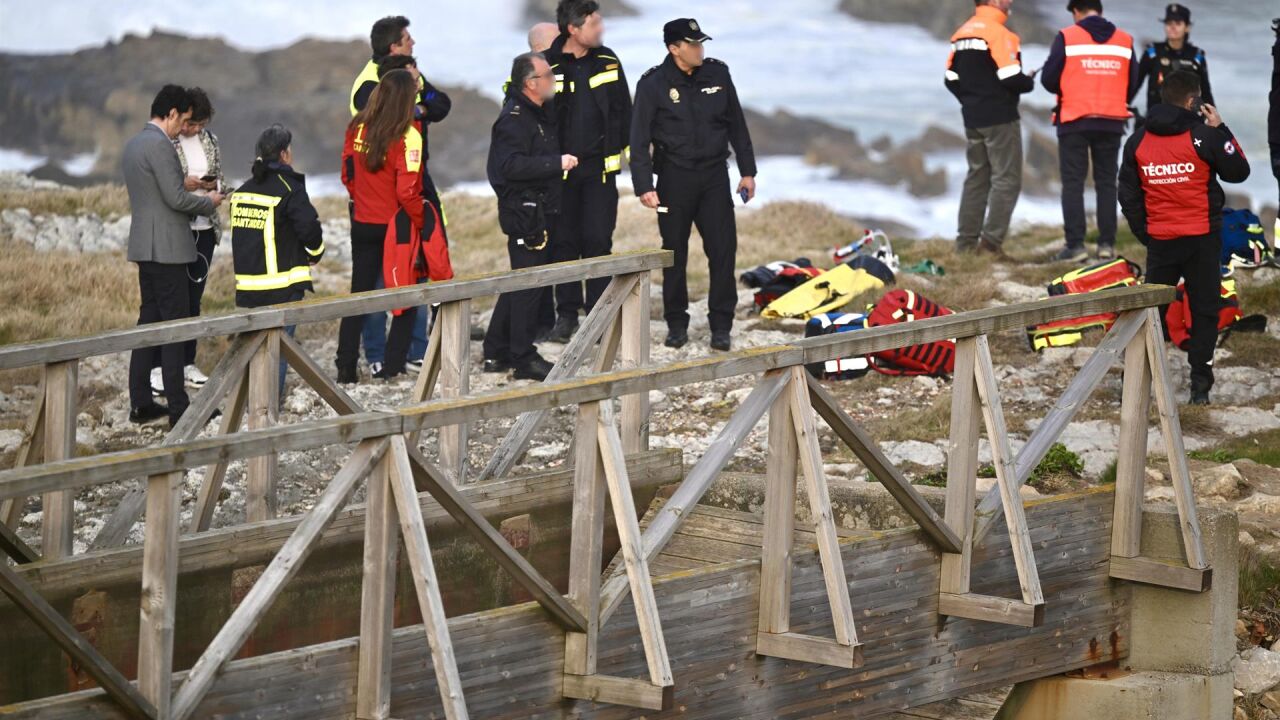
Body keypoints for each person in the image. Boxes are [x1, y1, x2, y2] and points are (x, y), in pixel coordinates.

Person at [1118, 70, 1250, 405]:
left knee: (1151, 313)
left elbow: (1128, 196)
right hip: (1202, 239)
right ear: (1193, 101)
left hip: (1161, 240)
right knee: (1204, 313)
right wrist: (1221, 128)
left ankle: (1132, 384)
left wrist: (1147, 234)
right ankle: (1200, 389)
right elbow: (1238, 171)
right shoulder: (1205, 135)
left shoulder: (1137, 140)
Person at [630, 18, 756, 352]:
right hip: (674, 180)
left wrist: (748, 172)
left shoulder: (718, 74)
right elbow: (638, 139)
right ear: (674, 48)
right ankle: (676, 324)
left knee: (723, 251)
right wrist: (643, 185)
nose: (700, 49)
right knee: (674, 253)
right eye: (693, 44)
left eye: (701, 43)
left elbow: (737, 125)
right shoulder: (652, 85)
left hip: (714, 177)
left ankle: (721, 325)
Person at [351, 17, 452, 376]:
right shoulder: (368, 84)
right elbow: (378, 126)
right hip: (382, 197)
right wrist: (417, 108)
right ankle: (377, 354)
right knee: (380, 280)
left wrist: (420, 102)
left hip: (414, 181)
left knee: (420, 268)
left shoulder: (411, 72)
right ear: (394, 46)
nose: (414, 43)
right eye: (408, 39)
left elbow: (442, 104)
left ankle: (415, 349)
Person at [123, 85, 222, 428]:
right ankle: (180, 408)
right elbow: (176, 199)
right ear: (172, 113)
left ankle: (140, 403)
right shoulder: (161, 145)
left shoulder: (134, 144)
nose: (182, 128)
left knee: (148, 324)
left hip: (144, 246)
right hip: (168, 250)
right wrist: (209, 202)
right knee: (175, 327)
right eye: (183, 119)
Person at [544, 0, 632, 343]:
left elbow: (625, 112)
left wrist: (640, 165)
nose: (601, 29)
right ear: (573, 28)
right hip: (560, 175)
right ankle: (566, 315)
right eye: (594, 24)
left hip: (600, 172)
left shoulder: (609, 60)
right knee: (564, 244)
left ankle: (597, 317)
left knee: (598, 241)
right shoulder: (546, 64)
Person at [484, 52, 575, 381]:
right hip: (525, 214)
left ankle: (496, 350)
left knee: (521, 280)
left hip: (541, 209)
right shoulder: (514, 118)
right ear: (530, 83)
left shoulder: (539, 111)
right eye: (547, 76)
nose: (553, 80)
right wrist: (556, 163)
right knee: (528, 285)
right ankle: (523, 358)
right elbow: (508, 166)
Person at [337, 69, 427, 383]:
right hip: (395, 230)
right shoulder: (408, 135)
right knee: (406, 296)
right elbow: (408, 191)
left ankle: (345, 366)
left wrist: (362, 200)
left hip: (362, 222)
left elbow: (347, 174)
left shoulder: (357, 127)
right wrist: (422, 222)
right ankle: (393, 366)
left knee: (358, 297)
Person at [229, 124, 325, 402]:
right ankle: (267, 409)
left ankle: (252, 406)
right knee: (278, 350)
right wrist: (315, 252)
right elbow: (309, 228)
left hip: (248, 288)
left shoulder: (242, 192)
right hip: (282, 286)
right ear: (284, 154)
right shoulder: (289, 188)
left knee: (255, 349)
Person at [1040, 0, 1139, 263]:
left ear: (1076, 12)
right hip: (1111, 121)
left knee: (1073, 183)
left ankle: (1075, 246)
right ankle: (1106, 245)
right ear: (1100, 11)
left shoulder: (1067, 36)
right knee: (1106, 183)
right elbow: (1132, 82)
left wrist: (1072, 84)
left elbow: (1048, 79)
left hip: (1074, 120)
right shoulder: (1125, 40)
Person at [148, 87, 225, 399]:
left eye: (200, 125)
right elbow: (163, 184)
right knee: (169, 300)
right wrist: (185, 184)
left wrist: (215, 185)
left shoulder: (211, 141)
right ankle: (158, 367)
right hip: (178, 226)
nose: (194, 129)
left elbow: (220, 176)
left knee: (194, 297)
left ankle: (186, 363)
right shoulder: (167, 141)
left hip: (205, 227)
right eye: (192, 123)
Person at [945, 0, 1036, 256]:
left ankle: (964, 245)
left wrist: (971, 101)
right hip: (1000, 119)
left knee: (976, 179)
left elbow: (950, 79)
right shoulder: (1001, 34)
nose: (1010, 1)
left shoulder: (961, 33)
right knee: (1006, 180)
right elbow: (1010, 77)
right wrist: (1028, 82)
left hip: (973, 118)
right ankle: (990, 246)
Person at [1136, 4, 1213, 120]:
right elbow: (1135, 84)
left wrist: (1213, 123)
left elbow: (1206, 93)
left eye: (1178, 23)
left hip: (1188, 121)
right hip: (1156, 120)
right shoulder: (1153, 53)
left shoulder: (1196, 56)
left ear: (1187, 27)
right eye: (1168, 23)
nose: (1172, 27)